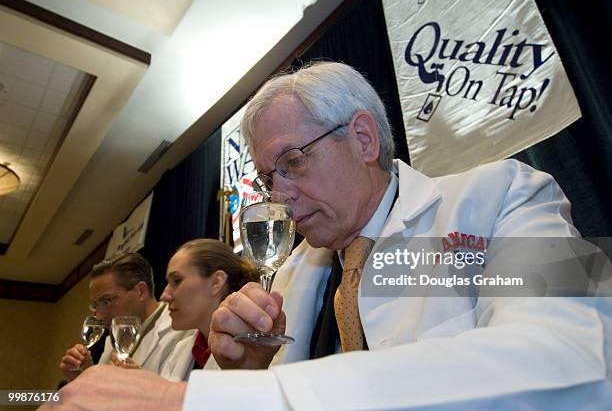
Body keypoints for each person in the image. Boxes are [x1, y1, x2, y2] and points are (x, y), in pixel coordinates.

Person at [43, 62, 611, 411]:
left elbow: (579, 359)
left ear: (362, 138)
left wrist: (194, 399)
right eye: (269, 177)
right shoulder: (291, 273)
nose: (279, 194)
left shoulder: (506, 195)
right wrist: (239, 372)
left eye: (293, 162)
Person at [111, 239, 259, 380]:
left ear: (216, 282)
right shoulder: (184, 349)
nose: (164, 296)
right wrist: (143, 384)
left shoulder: (253, 348)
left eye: (176, 281)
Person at [58, 252, 191, 382]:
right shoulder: (112, 341)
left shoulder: (183, 330)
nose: (98, 316)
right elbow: (107, 398)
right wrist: (85, 376)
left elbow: (179, 399)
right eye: (95, 306)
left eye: (106, 301)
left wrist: (140, 383)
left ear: (141, 291)